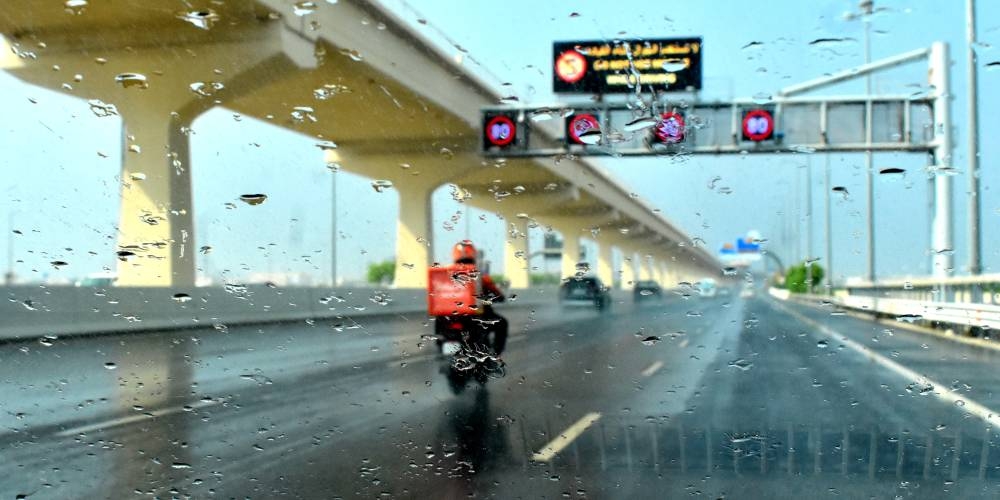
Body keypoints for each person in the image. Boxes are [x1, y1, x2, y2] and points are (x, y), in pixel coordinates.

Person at [451, 240, 508, 356]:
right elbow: (496, 293)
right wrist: (499, 297)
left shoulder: (444, 274)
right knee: (502, 324)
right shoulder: (480, 276)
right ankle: (495, 355)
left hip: (450, 317)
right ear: (473, 255)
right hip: (477, 318)